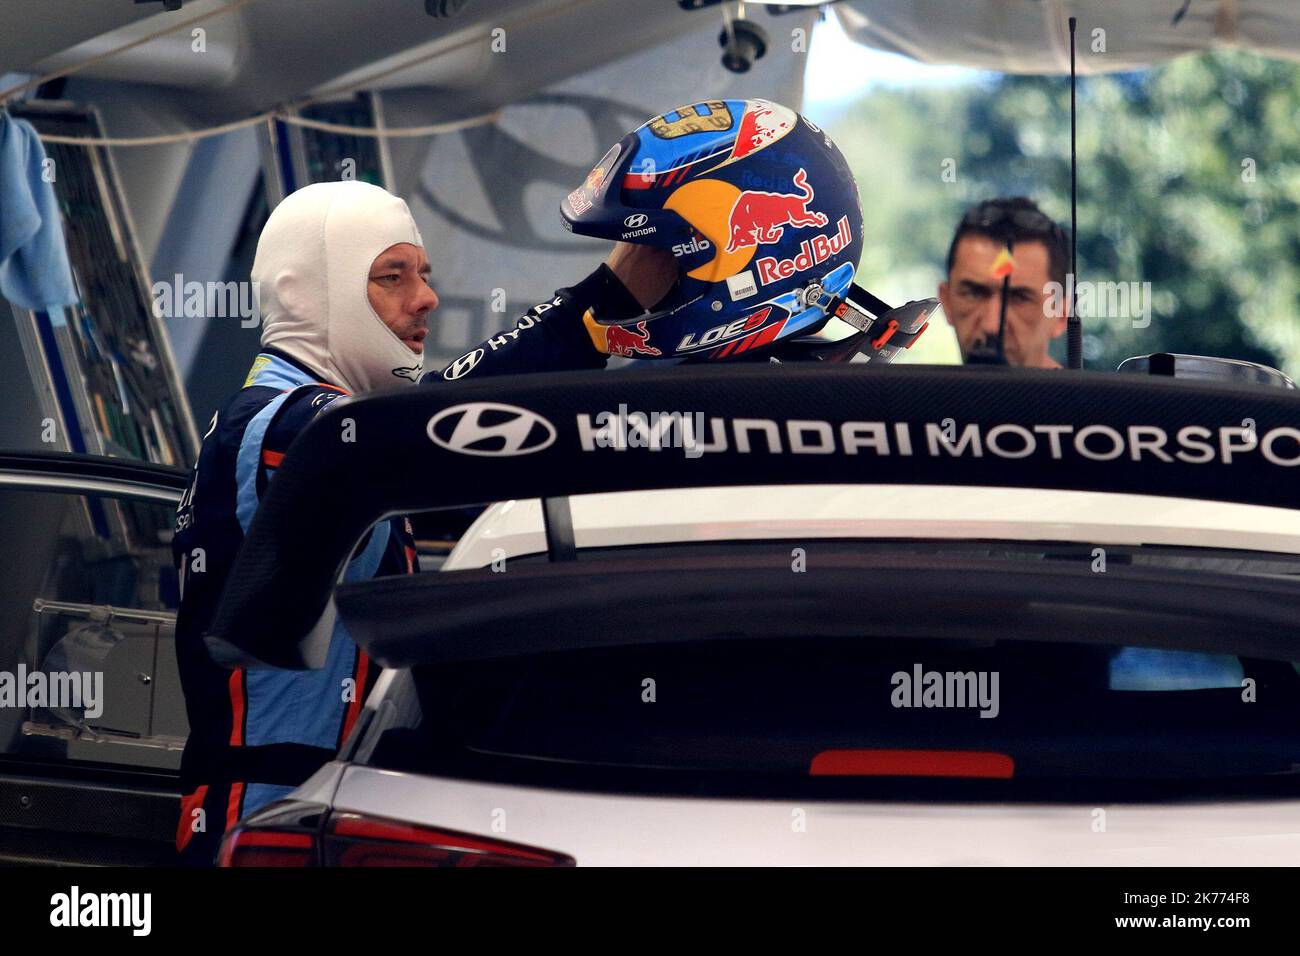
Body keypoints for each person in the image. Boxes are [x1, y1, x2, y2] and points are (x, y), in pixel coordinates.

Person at [171, 180, 436, 865]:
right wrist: (590, 311)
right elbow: (448, 436)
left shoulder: (290, 420)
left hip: (308, 814)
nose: (426, 298)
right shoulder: (292, 424)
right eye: (392, 275)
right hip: (266, 823)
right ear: (301, 297)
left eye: (424, 274)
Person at [433, 98, 874, 381]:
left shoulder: (660, 422)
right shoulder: (849, 399)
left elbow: (426, 429)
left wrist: (598, 301)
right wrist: (603, 297)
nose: (632, 261)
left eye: (662, 248)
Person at [937, 197, 1070, 368]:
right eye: (973, 294)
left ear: (1061, 315)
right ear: (946, 302)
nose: (991, 326)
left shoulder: (1101, 395)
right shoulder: (907, 394)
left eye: (1020, 298)